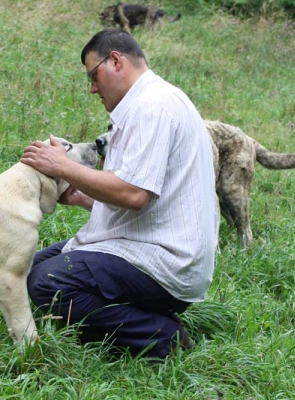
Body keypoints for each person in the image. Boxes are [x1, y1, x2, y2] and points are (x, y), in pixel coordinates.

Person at [20, 28, 218, 359]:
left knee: (47, 281)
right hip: (149, 245)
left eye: (93, 75)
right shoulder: (148, 103)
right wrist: (82, 195)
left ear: (115, 60)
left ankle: (161, 336)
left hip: (167, 261)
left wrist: (64, 167)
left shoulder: (152, 107)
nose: (93, 88)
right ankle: (142, 318)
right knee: (33, 265)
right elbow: (149, 198)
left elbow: (134, 194)